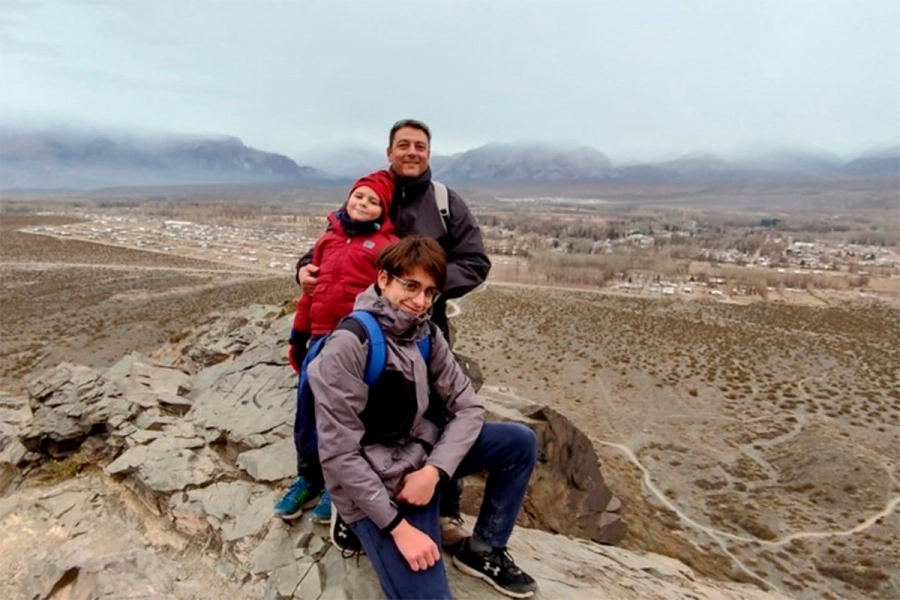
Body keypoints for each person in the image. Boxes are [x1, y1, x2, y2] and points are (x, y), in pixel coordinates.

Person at [310, 235, 538, 599]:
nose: (420, 302)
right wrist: (399, 527)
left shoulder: (425, 334)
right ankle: (353, 523)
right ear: (383, 279)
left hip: (421, 464)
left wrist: (434, 472)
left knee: (519, 443)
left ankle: (484, 549)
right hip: (377, 486)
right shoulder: (351, 345)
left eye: (430, 292)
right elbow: (338, 455)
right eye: (411, 286)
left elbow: (469, 407)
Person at [295, 119, 491, 539]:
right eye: (403, 145)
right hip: (361, 330)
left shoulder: (444, 203)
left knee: (434, 411)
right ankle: (351, 497)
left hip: (422, 330)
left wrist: (423, 287)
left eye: (419, 146)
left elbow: (476, 263)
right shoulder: (374, 193)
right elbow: (335, 239)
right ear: (389, 152)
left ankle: (443, 508)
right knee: (352, 411)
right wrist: (303, 271)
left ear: (429, 153)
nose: (411, 152)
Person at [274, 170, 398, 522]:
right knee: (308, 409)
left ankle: (337, 485)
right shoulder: (329, 239)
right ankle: (308, 477)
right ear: (347, 198)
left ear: (383, 211)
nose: (363, 204)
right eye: (359, 196)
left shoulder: (387, 247)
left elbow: (388, 301)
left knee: (343, 415)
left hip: (353, 342)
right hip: (319, 338)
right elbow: (309, 295)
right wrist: (298, 338)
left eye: (373, 201)